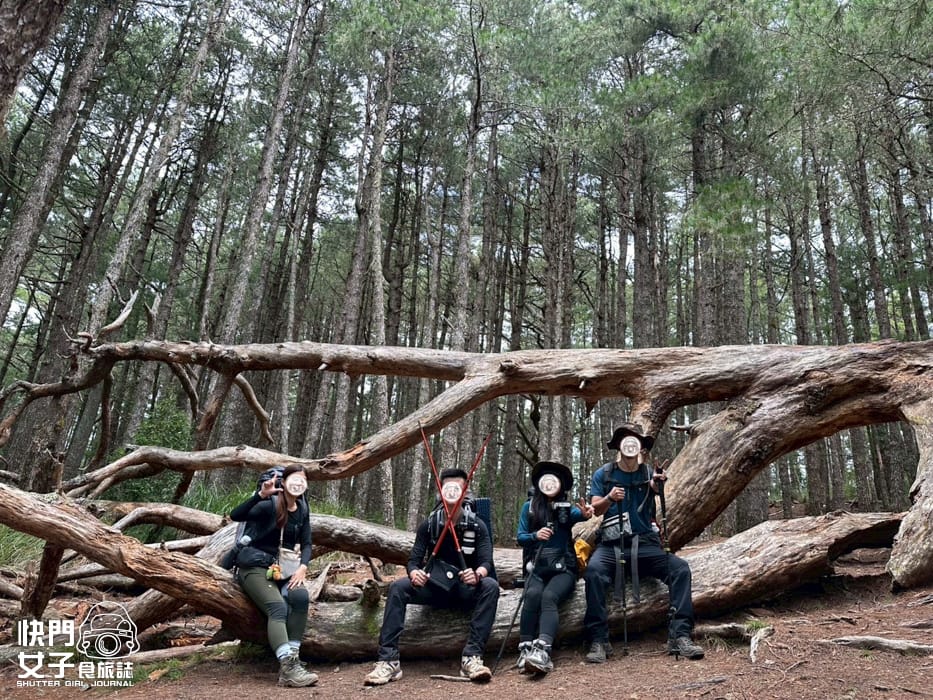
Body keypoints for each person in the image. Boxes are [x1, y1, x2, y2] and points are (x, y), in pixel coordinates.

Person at [582, 422, 704, 663]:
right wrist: (609, 497)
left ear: (641, 447)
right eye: (625, 439)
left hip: (645, 544)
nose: (630, 444)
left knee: (680, 569)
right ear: (618, 445)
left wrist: (658, 484)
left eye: (635, 440)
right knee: (594, 572)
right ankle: (598, 640)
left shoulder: (649, 473)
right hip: (611, 545)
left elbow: (655, 487)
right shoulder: (604, 474)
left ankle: (680, 635)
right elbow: (595, 510)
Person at [365, 467, 500, 685]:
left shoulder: (477, 525)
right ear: (440, 491)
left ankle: (472, 658)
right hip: (435, 587)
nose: (453, 491)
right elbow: (414, 560)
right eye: (448, 487)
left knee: (491, 586)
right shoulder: (429, 524)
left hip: (465, 589)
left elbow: (486, 561)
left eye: (459, 487)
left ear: (466, 491)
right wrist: (415, 573)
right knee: (398, 588)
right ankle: (388, 661)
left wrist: (477, 574)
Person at [229, 465, 318, 687]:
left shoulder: (302, 508)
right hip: (254, 567)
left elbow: (307, 543)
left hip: (284, 570)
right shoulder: (268, 505)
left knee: (300, 598)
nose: (298, 482)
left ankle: (294, 658)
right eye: (294, 478)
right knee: (277, 607)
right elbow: (236, 515)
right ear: (284, 482)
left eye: (303, 479)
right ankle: (288, 668)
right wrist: (261, 494)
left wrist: (303, 567)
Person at [515, 461, 593, 675]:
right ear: (539, 484)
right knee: (531, 595)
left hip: (564, 569)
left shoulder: (566, 510)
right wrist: (535, 535)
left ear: (561, 486)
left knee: (549, 597)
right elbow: (520, 538)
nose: (549, 485)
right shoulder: (528, 507)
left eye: (554, 481)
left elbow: (584, 515)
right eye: (545, 481)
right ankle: (525, 648)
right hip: (536, 569)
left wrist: (587, 513)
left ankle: (543, 650)